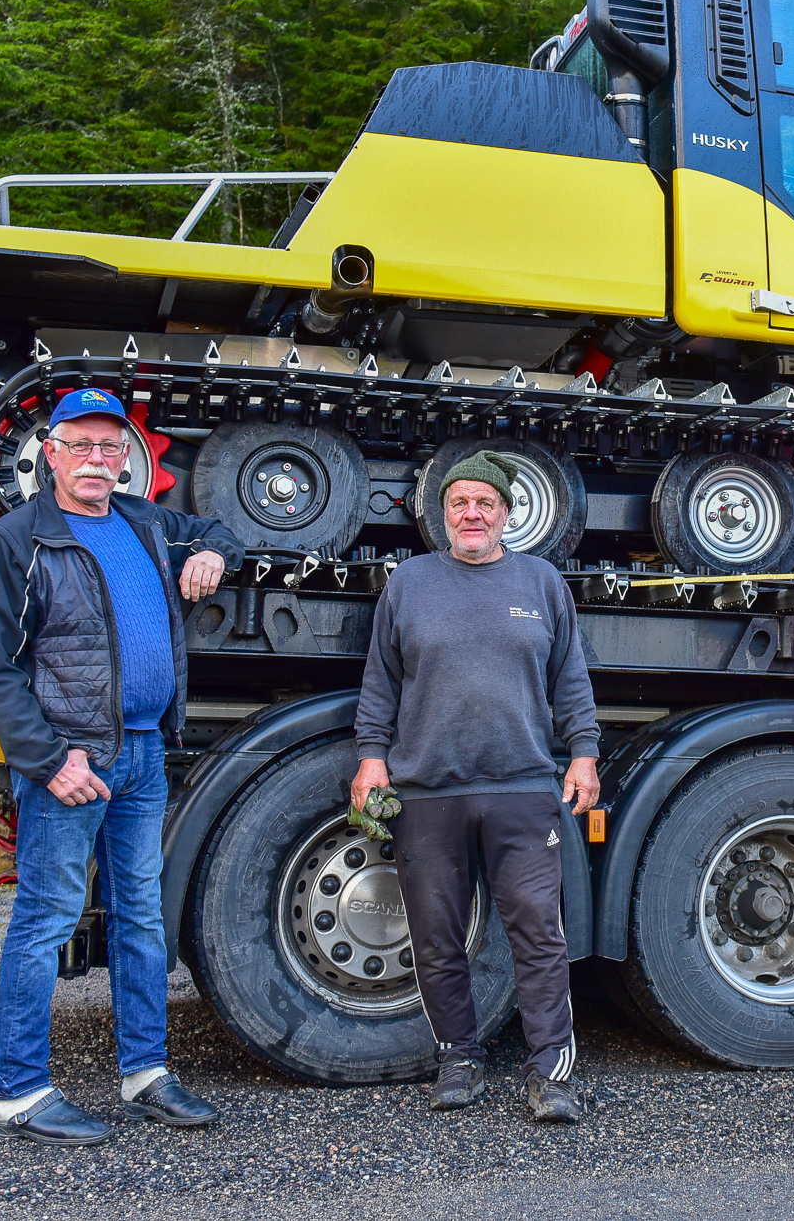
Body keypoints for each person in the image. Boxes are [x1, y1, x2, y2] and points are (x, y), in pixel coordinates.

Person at [0, 388, 243, 1145]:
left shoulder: (144, 521)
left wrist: (213, 553)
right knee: (46, 920)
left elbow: (218, 528)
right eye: (80, 445)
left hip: (144, 753)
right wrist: (47, 760)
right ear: (50, 453)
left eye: (109, 447)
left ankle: (145, 1074)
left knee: (141, 917)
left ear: (127, 457)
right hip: (74, 760)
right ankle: (19, 1091)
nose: (96, 460)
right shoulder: (17, 539)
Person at [351, 449, 601, 1124]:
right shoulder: (410, 583)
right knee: (437, 939)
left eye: (484, 503)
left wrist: (583, 753)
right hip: (428, 791)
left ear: (507, 514)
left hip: (522, 788)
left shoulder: (541, 582)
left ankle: (549, 1072)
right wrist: (371, 758)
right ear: (442, 514)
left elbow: (570, 678)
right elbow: (381, 681)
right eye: (459, 502)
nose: (471, 513)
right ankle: (458, 1058)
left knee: (539, 936)